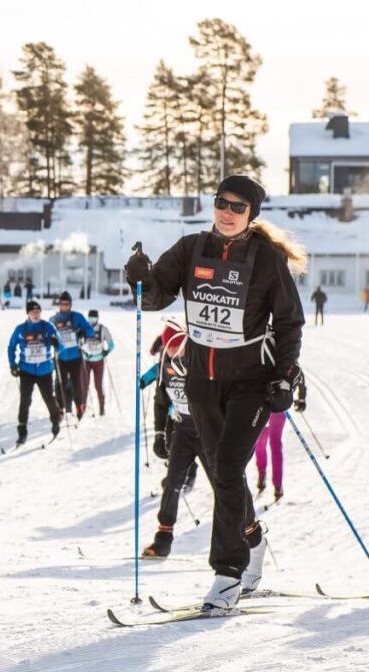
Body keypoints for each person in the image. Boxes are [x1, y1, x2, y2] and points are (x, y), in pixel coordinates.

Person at [125, 174, 306, 609]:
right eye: (222, 202)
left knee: (226, 467)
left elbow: (289, 322)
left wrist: (285, 376)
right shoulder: (191, 248)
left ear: (251, 214)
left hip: (251, 381)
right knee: (222, 474)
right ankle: (253, 540)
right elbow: (155, 298)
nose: (227, 212)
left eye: (237, 207)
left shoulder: (266, 259)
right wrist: (140, 279)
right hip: (201, 381)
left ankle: (227, 575)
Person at [140, 322, 211, 557]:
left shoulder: (197, 361)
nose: (172, 352)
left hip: (206, 431)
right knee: (172, 483)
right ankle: (163, 539)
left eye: (177, 347)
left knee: (222, 484)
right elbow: (161, 401)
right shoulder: (165, 364)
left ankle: (241, 533)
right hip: (182, 429)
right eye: (169, 347)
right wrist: (159, 434)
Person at [7, 300, 61, 446]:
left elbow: (60, 343)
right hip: (27, 371)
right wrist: (13, 365)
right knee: (25, 400)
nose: (36, 315)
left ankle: (56, 421)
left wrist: (56, 342)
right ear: (28, 314)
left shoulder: (48, 326)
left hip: (45, 370)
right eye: (32, 312)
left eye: (38, 312)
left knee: (48, 398)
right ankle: (22, 431)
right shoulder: (20, 329)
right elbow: (11, 347)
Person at [49, 292, 95, 421]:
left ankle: (79, 406)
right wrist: (51, 340)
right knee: (60, 383)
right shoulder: (54, 319)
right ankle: (60, 408)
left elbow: (90, 330)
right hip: (61, 357)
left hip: (75, 356)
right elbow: (47, 334)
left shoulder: (77, 317)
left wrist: (83, 333)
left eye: (67, 304)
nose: (64, 306)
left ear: (70, 304)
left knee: (77, 383)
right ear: (59, 304)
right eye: (62, 304)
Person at [80, 309, 115, 416]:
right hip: (86, 361)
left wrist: (106, 352)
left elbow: (111, 344)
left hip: (98, 361)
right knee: (84, 385)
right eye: (90, 317)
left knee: (98, 385)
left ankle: (101, 408)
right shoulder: (83, 329)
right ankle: (82, 408)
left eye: (94, 317)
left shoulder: (103, 329)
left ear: (97, 318)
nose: (92, 320)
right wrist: (82, 352)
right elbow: (78, 343)